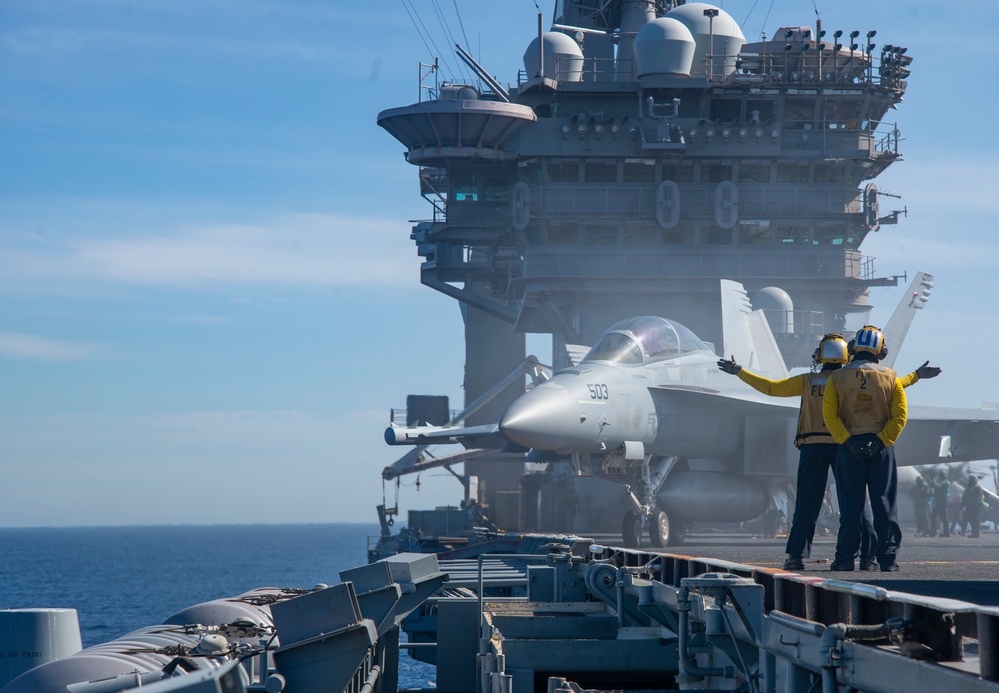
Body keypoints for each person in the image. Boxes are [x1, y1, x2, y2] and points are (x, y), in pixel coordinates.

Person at [719, 334, 938, 571]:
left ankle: (796, 557)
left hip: (814, 446)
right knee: (858, 505)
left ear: (820, 355)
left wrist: (740, 371)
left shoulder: (808, 381)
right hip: (847, 444)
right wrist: (915, 376)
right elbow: (889, 385)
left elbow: (771, 388)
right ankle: (868, 558)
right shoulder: (849, 379)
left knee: (807, 503)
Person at [823, 325, 907, 572]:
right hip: (882, 449)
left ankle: (845, 559)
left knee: (851, 507)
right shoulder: (890, 377)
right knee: (884, 505)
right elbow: (900, 416)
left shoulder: (837, 378)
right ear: (880, 350)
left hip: (849, 448)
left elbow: (829, 414)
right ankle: (888, 560)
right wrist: (880, 441)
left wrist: (847, 441)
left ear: (853, 348)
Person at [929, 469, 951, 537]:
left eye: (940, 476)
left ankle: (934, 532)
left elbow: (937, 486)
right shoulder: (943, 482)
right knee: (942, 517)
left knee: (937, 516)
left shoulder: (945, 482)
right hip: (941, 501)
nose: (939, 477)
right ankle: (945, 532)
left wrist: (932, 479)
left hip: (942, 501)